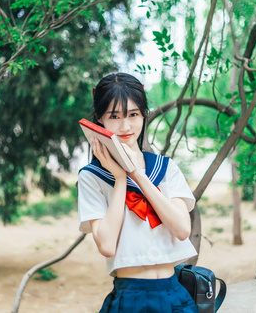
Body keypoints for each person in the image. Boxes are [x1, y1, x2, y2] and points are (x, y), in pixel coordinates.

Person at [77, 72, 199, 313]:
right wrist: (120, 178)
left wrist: (137, 175)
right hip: (129, 298)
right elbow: (107, 246)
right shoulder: (91, 177)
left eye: (133, 115)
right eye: (114, 116)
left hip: (174, 295)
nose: (125, 126)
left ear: (144, 115)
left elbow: (183, 230)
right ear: (99, 119)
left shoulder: (166, 168)